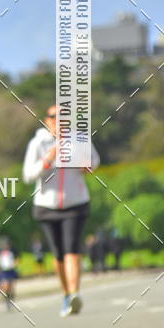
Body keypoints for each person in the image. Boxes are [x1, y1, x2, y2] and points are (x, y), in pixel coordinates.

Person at [23, 105, 99, 317]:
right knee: (57, 253)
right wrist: (49, 157)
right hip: (47, 207)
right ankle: (66, 294)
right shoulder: (38, 143)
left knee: (71, 249)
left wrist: (87, 165)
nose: (59, 121)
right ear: (47, 121)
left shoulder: (80, 139)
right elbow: (28, 175)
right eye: (54, 117)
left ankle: (75, 293)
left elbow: (94, 162)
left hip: (75, 204)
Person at [0, 237, 19, 309]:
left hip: (11, 270)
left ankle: (11, 297)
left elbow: (17, 258)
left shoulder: (12, 250)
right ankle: (5, 298)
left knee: (11, 286)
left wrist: (15, 263)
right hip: (3, 271)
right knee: (5, 286)